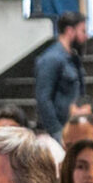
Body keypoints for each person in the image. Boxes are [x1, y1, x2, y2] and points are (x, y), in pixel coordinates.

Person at [34, 11, 88, 141]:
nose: (86, 36)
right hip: (59, 131)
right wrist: (56, 131)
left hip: (73, 128)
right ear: (70, 31)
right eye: (83, 31)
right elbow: (43, 98)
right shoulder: (51, 59)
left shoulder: (73, 58)